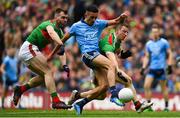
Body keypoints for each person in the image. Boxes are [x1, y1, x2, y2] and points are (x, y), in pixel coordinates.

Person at [48, 5, 129, 114]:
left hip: (96, 56)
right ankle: (114, 94)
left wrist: (121, 18)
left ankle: (79, 100)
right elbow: (61, 41)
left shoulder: (98, 23)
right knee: (112, 65)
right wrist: (52, 54)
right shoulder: (76, 26)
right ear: (86, 15)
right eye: (92, 17)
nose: (94, 20)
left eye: (96, 17)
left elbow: (115, 21)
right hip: (88, 54)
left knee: (103, 88)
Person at [68, 24, 153, 114]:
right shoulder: (109, 41)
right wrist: (118, 70)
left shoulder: (117, 40)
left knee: (102, 95)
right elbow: (111, 57)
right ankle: (135, 103)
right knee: (126, 80)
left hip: (102, 67)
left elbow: (117, 52)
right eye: (124, 31)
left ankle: (78, 97)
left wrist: (123, 54)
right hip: (98, 67)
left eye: (127, 32)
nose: (126, 34)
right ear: (117, 31)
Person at [12, 8, 71, 109]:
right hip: (29, 48)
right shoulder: (48, 25)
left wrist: (64, 64)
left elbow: (61, 51)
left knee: (44, 76)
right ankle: (56, 101)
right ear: (56, 17)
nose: (65, 20)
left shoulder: (60, 32)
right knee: (48, 72)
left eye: (66, 18)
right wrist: (60, 44)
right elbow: (52, 34)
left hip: (29, 51)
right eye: (63, 17)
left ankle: (21, 89)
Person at [141, 23, 173, 111]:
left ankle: (166, 107)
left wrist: (170, 65)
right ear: (151, 33)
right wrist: (143, 67)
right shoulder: (148, 44)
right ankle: (149, 106)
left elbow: (169, 53)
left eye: (156, 32)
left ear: (159, 32)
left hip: (161, 69)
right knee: (146, 86)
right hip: (152, 68)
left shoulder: (164, 42)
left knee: (163, 89)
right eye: (153, 32)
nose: (154, 34)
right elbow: (147, 56)